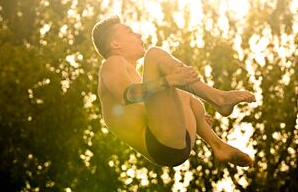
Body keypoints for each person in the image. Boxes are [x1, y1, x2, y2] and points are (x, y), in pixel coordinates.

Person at [92, 15, 255, 167]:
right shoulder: (112, 63)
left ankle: (218, 145)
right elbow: (126, 95)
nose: (139, 35)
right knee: (155, 56)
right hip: (158, 143)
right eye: (130, 32)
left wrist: (194, 116)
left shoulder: (133, 74)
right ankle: (218, 98)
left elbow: (151, 104)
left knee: (174, 84)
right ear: (115, 44)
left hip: (175, 142)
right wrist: (171, 80)